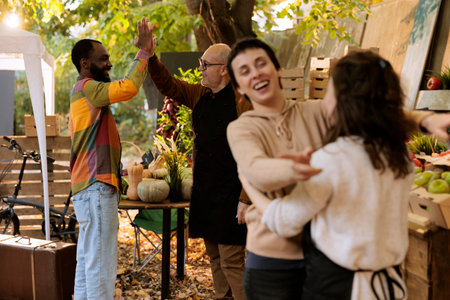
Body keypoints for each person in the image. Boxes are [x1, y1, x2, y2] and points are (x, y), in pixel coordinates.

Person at [225, 38, 450, 300]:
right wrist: (289, 169)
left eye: (261, 63)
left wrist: (426, 119)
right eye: (244, 71)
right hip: (274, 259)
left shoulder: (315, 112)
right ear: (239, 88)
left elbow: (371, 108)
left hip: (326, 260)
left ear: (277, 69)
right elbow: (255, 169)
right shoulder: (241, 128)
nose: (255, 74)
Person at [145, 27, 252, 300]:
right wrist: (150, 56)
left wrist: (246, 198)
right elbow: (168, 85)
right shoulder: (199, 95)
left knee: (231, 260)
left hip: (232, 195)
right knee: (215, 258)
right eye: (200, 63)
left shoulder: (244, 104)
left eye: (205, 64)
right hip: (206, 192)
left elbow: (256, 154)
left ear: (225, 70)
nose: (200, 68)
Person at [69, 18, 153, 300]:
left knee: (87, 266)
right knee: (100, 269)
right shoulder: (87, 87)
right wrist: (143, 53)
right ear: (85, 63)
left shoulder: (83, 92)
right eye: (103, 59)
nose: (109, 63)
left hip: (87, 190)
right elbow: (128, 88)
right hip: (96, 188)